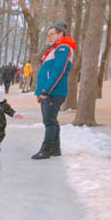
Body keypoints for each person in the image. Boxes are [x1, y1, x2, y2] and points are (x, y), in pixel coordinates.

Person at [32, 21, 77, 160]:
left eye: (52, 34)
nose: (49, 37)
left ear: (60, 33)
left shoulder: (63, 48)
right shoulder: (56, 48)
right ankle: (55, 149)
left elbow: (59, 71)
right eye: (48, 35)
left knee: (49, 122)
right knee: (52, 121)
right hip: (50, 91)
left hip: (53, 91)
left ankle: (45, 150)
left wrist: (46, 90)